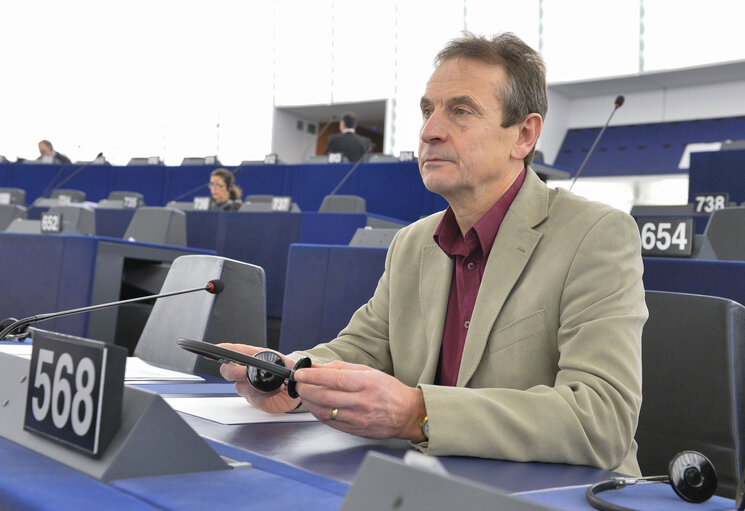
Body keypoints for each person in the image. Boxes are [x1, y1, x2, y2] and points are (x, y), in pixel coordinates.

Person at [221, 33, 647, 475]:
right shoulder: (412, 243)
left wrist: (417, 413)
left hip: (559, 493)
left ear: (523, 135)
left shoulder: (596, 235)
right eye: (428, 111)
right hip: (430, 484)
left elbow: (602, 418)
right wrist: (295, 376)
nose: (429, 131)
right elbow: (362, 347)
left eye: (460, 111)